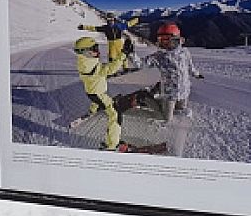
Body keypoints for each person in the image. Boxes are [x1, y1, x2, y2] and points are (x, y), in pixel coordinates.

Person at [70, 21, 130, 150]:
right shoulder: (88, 65)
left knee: (97, 98)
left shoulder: (85, 60)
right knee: (115, 114)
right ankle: (112, 145)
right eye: (93, 49)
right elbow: (109, 70)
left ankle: (93, 110)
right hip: (97, 93)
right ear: (84, 52)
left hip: (92, 91)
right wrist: (123, 55)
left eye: (96, 48)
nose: (97, 51)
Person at [140, 21, 203, 121]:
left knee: (181, 111)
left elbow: (190, 67)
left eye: (166, 39)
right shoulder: (159, 56)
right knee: (166, 118)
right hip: (169, 93)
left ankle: (155, 93)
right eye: (161, 39)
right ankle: (148, 98)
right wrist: (130, 55)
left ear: (175, 39)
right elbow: (142, 64)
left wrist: (196, 74)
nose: (163, 43)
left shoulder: (185, 52)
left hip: (184, 90)